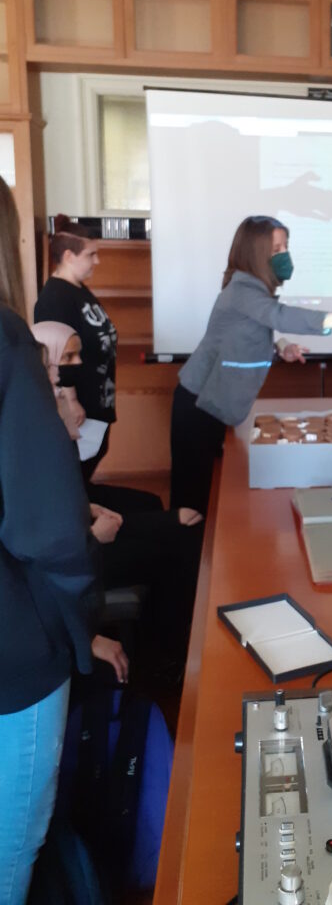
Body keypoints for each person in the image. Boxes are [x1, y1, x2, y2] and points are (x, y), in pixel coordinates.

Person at [0, 178, 101, 904]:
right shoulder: (9, 341)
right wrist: (79, 626)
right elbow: (52, 529)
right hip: (16, 654)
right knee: (12, 850)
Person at [170, 215, 332, 514]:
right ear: (255, 254)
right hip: (198, 404)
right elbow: (278, 315)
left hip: (213, 404)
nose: (284, 255)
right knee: (191, 503)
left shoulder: (252, 290)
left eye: (285, 247)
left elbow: (247, 334)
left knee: (208, 495)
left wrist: (281, 347)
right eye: (276, 250)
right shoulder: (242, 290)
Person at [32, 319, 203, 670]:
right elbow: (53, 537)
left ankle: (166, 649)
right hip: (77, 556)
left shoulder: (48, 411)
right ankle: (170, 662)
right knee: (176, 548)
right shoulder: (36, 429)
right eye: (61, 362)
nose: (65, 372)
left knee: (170, 522)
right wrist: (96, 534)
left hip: (81, 534)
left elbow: (72, 498)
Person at [34, 216, 117, 480]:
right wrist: (70, 401)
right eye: (91, 255)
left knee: (94, 456)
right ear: (69, 256)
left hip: (97, 401)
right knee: (77, 471)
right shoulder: (55, 298)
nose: (97, 261)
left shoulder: (79, 290)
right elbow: (57, 354)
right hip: (79, 405)